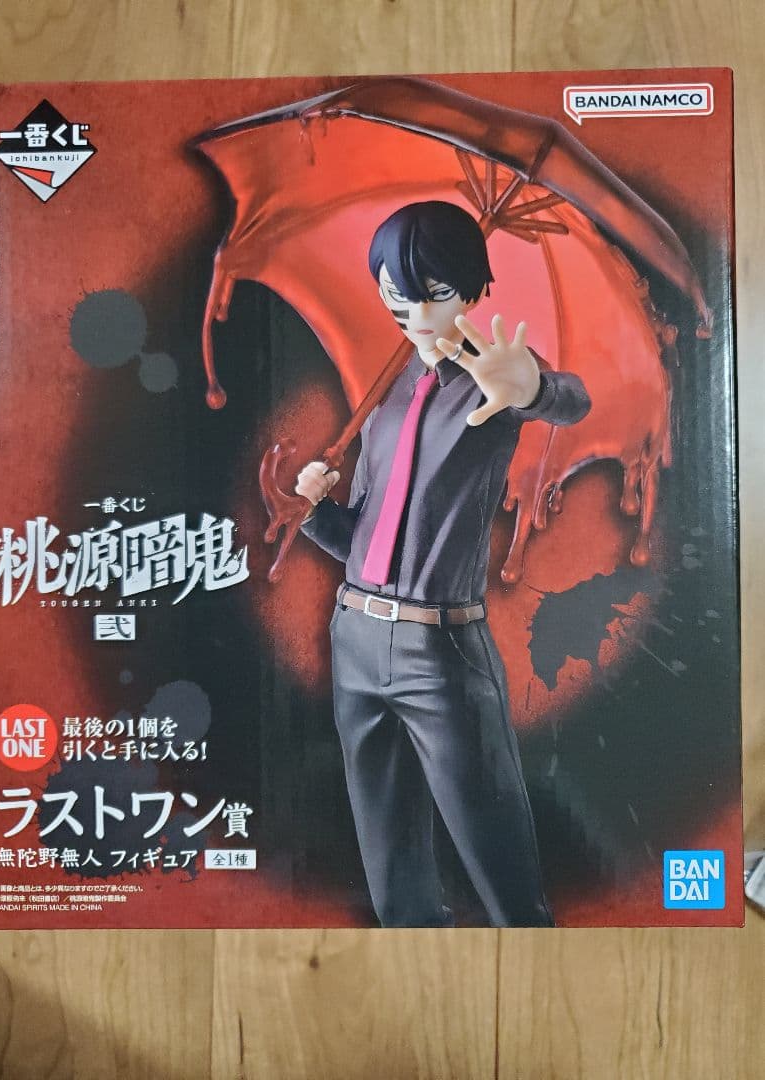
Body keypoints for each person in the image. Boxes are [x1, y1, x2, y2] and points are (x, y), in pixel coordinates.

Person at [297, 201, 590, 927]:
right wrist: (313, 511)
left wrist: (531, 388)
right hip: (354, 637)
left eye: (434, 292)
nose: (416, 313)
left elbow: (569, 400)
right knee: (392, 873)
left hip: (440, 649)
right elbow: (369, 540)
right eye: (396, 295)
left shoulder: (493, 380)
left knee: (500, 864)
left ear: (473, 287)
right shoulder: (389, 398)